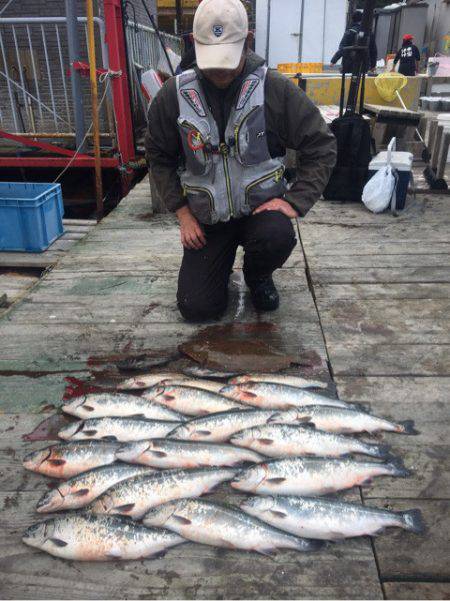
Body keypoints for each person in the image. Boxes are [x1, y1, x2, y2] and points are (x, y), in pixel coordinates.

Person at [146, 0, 336, 322]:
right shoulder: (173, 95)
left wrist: (295, 201)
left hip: (259, 213)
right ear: (194, 44)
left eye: (228, 60)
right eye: (212, 60)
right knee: (196, 308)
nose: (220, 70)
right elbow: (158, 156)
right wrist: (182, 213)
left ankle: (258, 274)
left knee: (277, 235)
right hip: (207, 220)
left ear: (248, 41)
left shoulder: (274, 88)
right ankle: (214, 270)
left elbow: (321, 144)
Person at [331, 10, 377, 74]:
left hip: (349, 64)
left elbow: (342, 48)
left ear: (353, 20)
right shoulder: (369, 33)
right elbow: (373, 50)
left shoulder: (350, 32)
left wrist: (333, 60)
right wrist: (373, 65)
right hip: (364, 64)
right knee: (361, 81)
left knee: (347, 82)